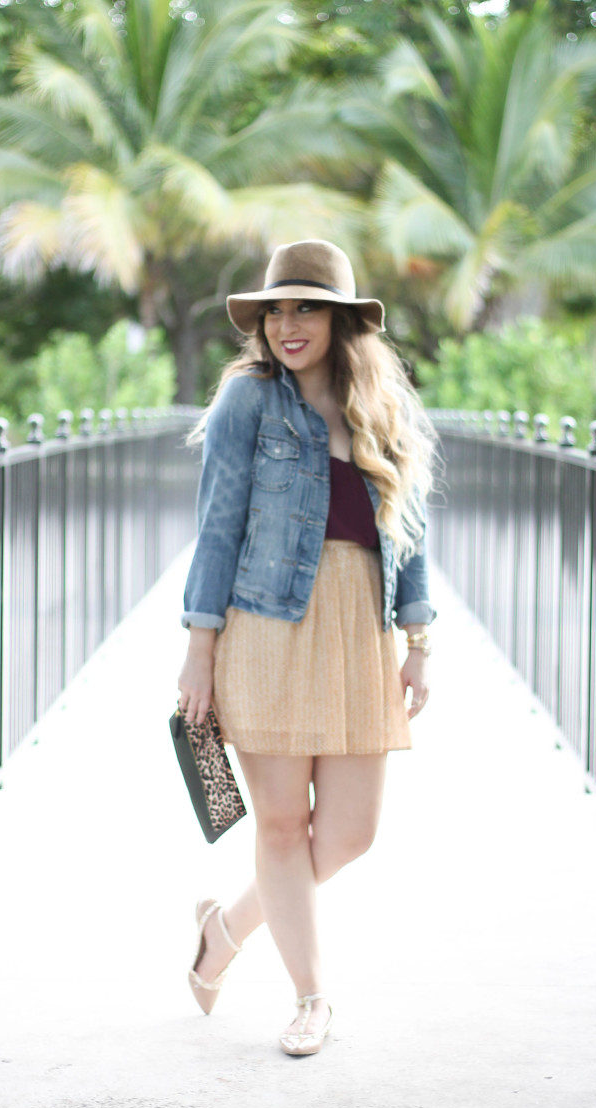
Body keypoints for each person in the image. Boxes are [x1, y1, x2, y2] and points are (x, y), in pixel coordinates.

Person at [177, 239, 438, 1057]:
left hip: (359, 628)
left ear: (340, 318)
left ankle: (225, 928)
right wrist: (200, 649)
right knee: (285, 825)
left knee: (352, 832)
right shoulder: (247, 403)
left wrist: (419, 640)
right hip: (267, 625)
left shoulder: (382, 405)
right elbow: (217, 528)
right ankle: (310, 998)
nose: (288, 325)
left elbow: (413, 529)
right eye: (276, 309)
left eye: (307, 307)